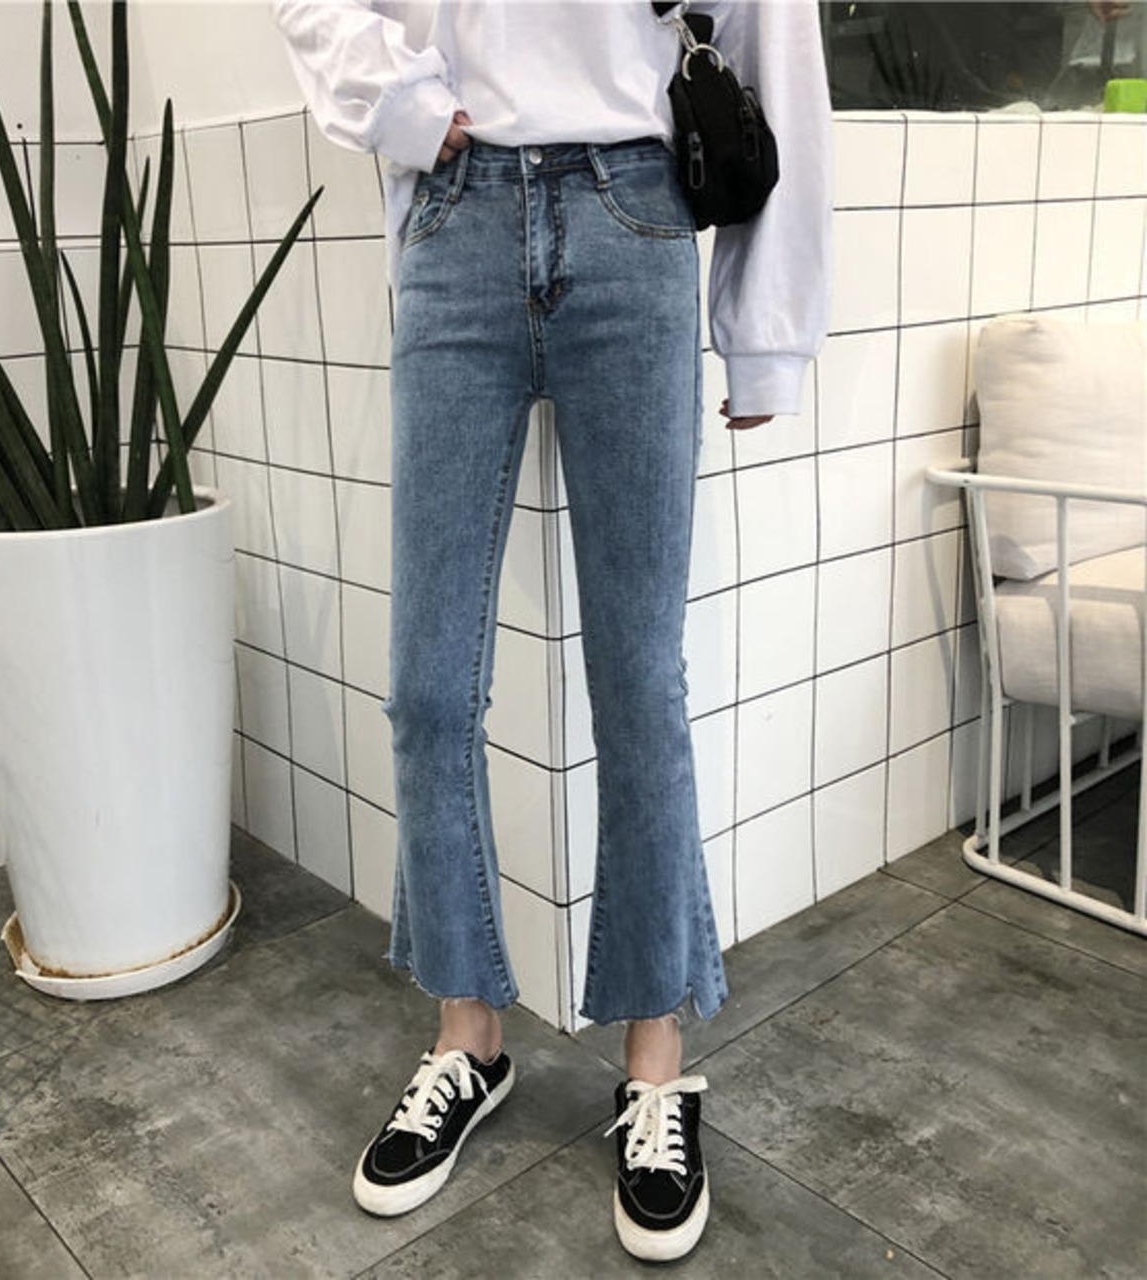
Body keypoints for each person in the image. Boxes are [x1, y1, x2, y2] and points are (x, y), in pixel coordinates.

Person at [274, 0, 830, 1262]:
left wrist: (764, 334)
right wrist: (397, 101)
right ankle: (467, 1038)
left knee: (638, 682)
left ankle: (655, 1063)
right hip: (453, 218)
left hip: (636, 211)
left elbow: (772, 37)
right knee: (427, 687)